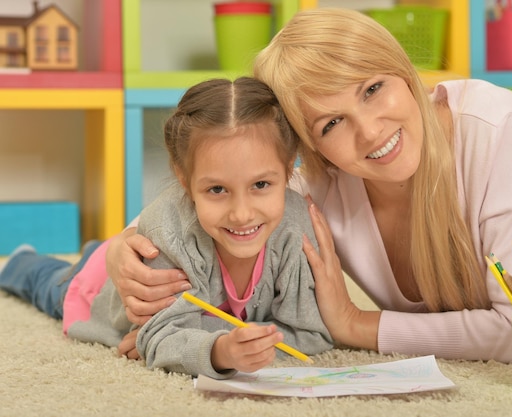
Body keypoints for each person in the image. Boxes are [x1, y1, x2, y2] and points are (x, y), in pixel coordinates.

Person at [105, 8, 512, 363]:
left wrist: (357, 325)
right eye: (331, 123)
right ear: (306, 152)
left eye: (373, 89)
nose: (370, 130)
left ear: (401, 70)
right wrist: (121, 248)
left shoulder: (498, 128)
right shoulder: (321, 177)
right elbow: (222, 185)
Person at [0, 77, 332, 378]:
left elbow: (310, 335)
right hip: (97, 289)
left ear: (289, 169)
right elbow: (160, 339)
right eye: (217, 190)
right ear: (184, 179)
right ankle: (22, 262)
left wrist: (204, 337)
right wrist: (220, 351)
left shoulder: (295, 227)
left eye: (261, 184)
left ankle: (90, 252)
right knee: (47, 285)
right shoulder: (169, 231)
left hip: (129, 255)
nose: (242, 214)